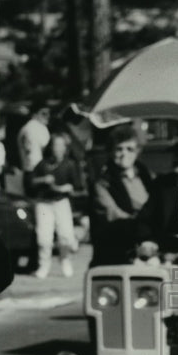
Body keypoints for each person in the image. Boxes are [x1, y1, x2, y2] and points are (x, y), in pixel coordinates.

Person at [90, 124, 153, 267]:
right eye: (119, 149)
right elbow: (113, 215)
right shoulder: (103, 182)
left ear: (137, 152)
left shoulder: (146, 176)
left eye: (130, 149)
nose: (124, 154)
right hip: (117, 251)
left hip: (148, 246)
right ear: (111, 152)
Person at [26, 132, 83, 278]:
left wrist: (67, 188)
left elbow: (77, 186)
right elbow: (31, 182)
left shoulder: (70, 164)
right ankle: (44, 265)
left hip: (61, 202)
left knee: (66, 236)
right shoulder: (42, 164)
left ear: (65, 148)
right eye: (55, 145)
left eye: (61, 145)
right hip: (44, 204)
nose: (58, 148)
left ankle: (65, 260)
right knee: (44, 238)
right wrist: (43, 180)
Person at [135, 143, 178, 267]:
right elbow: (145, 219)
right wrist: (148, 240)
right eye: (176, 154)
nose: (177, 159)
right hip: (167, 255)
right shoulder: (163, 184)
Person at [16, 101, 51, 174]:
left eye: (48, 113)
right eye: (44, 113)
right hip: (35, 169)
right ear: (34, 114)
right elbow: (37, 153)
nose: (48, 116)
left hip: (28, 168)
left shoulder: (27, 127)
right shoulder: (35, 128)